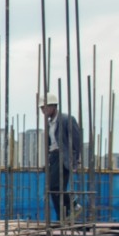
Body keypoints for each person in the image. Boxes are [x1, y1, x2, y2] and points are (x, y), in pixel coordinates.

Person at [40, 93, 82, 221]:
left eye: (45, 107)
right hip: (53, 157)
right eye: (41, 108)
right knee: (52, 189)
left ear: (53, 106)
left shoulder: (66, 119)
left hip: (63, 157)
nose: (43, 110)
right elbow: (49, 144)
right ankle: (62, 216)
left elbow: (76, 141)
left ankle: (74, 205)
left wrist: (76, 160)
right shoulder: (49, 124)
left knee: (56, 187)